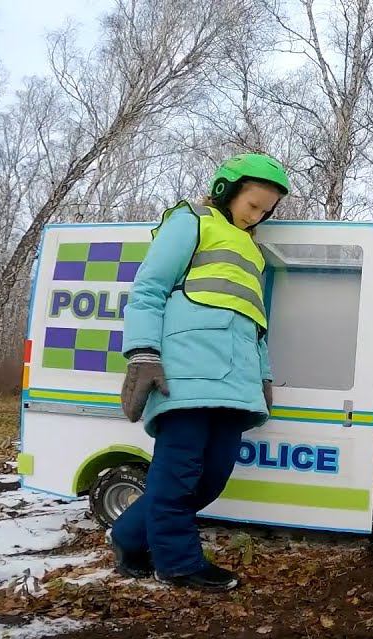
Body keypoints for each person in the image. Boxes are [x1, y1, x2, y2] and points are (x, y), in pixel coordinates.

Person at [109, 153, 290, 591]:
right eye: (253, 205)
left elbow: (255, 323)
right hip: (185, 375)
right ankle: (178, 563)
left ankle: (128, 536)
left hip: (236, 383)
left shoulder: (253, 252)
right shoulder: (191, 221)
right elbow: (149, 289)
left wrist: (263, 376)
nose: (257, 216)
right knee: (177, 476)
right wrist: (143, 354)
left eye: (265, 211)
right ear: (226, 190)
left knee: (211, 478)